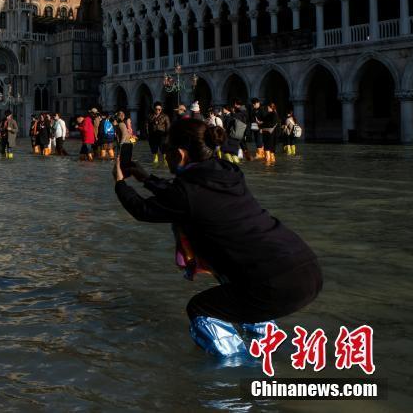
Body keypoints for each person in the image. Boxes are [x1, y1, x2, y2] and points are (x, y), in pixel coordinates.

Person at [113, 118, 322, 357]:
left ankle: (236, 370)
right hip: (307, 270)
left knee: (201, 309)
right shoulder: (228, 172)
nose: (164, 154)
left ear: (180, 155)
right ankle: (268, 348)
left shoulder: (187, 194)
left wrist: (120, 183)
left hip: (274, 283)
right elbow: (184, 195)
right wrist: (146, 178)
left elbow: (143, 210)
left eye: (166, 150)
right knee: (235, 291)